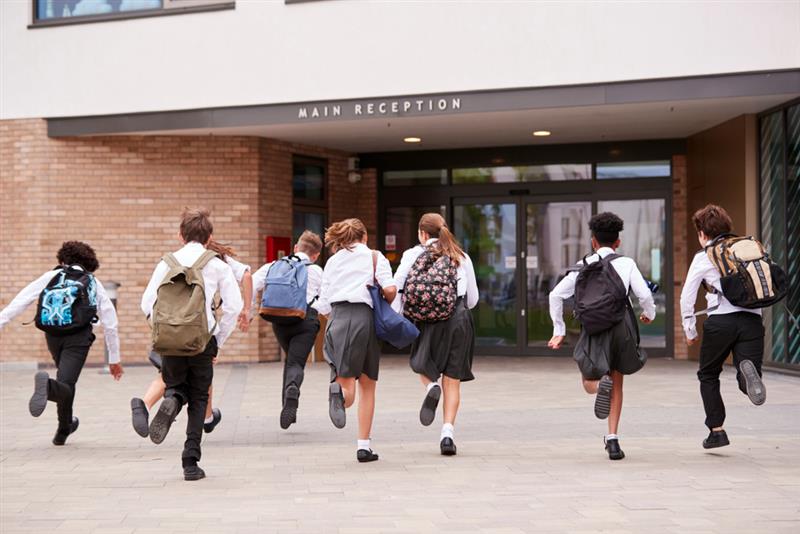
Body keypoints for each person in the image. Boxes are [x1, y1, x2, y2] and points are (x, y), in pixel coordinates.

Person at [140, 208, 242, 481]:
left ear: (180, 235)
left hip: (170, 340)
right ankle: (190, 461)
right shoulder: (217, 265)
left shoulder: (165, 263)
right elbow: (234, 306)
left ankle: (172, 400)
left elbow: (146, 303)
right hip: (202, 340)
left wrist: (165, 330)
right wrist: (218, 339)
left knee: (175, 386)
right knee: (199, 398)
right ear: (209, 237)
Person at [548, 212, 655, 460]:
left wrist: (559, 330)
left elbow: (555, 295)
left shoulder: (582, 266)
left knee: (588, 378)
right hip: (621, 327)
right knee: (617, 381)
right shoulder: (626, 263)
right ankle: (613, 440)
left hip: (594, 328)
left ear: (593, 241)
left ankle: (598, 387)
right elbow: (645, 296)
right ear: (618, 242)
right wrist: (649, 314)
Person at [0, 241, 124, 446]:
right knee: (65, 383)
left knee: (65, 380)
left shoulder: (51, 276)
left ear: (62, 260)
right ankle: (47, 387)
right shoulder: (92, 281)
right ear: (89, 263)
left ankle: (64, 428)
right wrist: (114, 358)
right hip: (79, 338)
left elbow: (20, 301)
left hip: (53, 334)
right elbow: (110, 323)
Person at [130, 239, 252, 438]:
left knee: (167, 375)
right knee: (201, 378)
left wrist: (161, 330)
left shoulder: (173, 260)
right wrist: (246, 309)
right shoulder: (217, 260)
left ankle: (144, 404)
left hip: (170, 333)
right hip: (199, 333)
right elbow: (246, 274)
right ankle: (206, 418)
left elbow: (147, 303)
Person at [679, 204, 766, 449]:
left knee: (708, 373)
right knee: (748, 371)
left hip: (721, 321)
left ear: (702, 234)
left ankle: (717, 431)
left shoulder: (704, 256)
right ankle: (747, 378)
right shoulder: (750, 247)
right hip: (752, 320)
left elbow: (687, 296)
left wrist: (690, 331)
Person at [392, 213, 478, 456]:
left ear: (422, 233)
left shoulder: (411, 255)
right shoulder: (461, 256)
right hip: (457, 318)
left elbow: (398, 288)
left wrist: (397, 318)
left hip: (424, 320)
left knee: (422, 364)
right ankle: (447, 434)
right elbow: (473, 299)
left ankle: (431, 386)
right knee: (452, 379)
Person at [316, 218, 397, 463]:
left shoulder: (332, 261)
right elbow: (391, 289)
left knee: (346, 382)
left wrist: (335, 318)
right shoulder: (374, 257)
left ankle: (337, 392)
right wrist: (384, 298)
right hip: (364, 319)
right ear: (364, 238)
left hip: (337, 319)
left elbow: (323, 303)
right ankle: (363, 446)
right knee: (367, 385)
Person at [252, 230, 324, 430]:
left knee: (290, 360)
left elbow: (252, 282)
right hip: (305, 320)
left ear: (295, 248)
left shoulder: (274, 265)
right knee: (296, 363)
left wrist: (248, 310)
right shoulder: (316, 271)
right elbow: (326, 300)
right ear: (316, 255)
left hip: (279, 321)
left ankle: (287, 404)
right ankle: (292, 391)